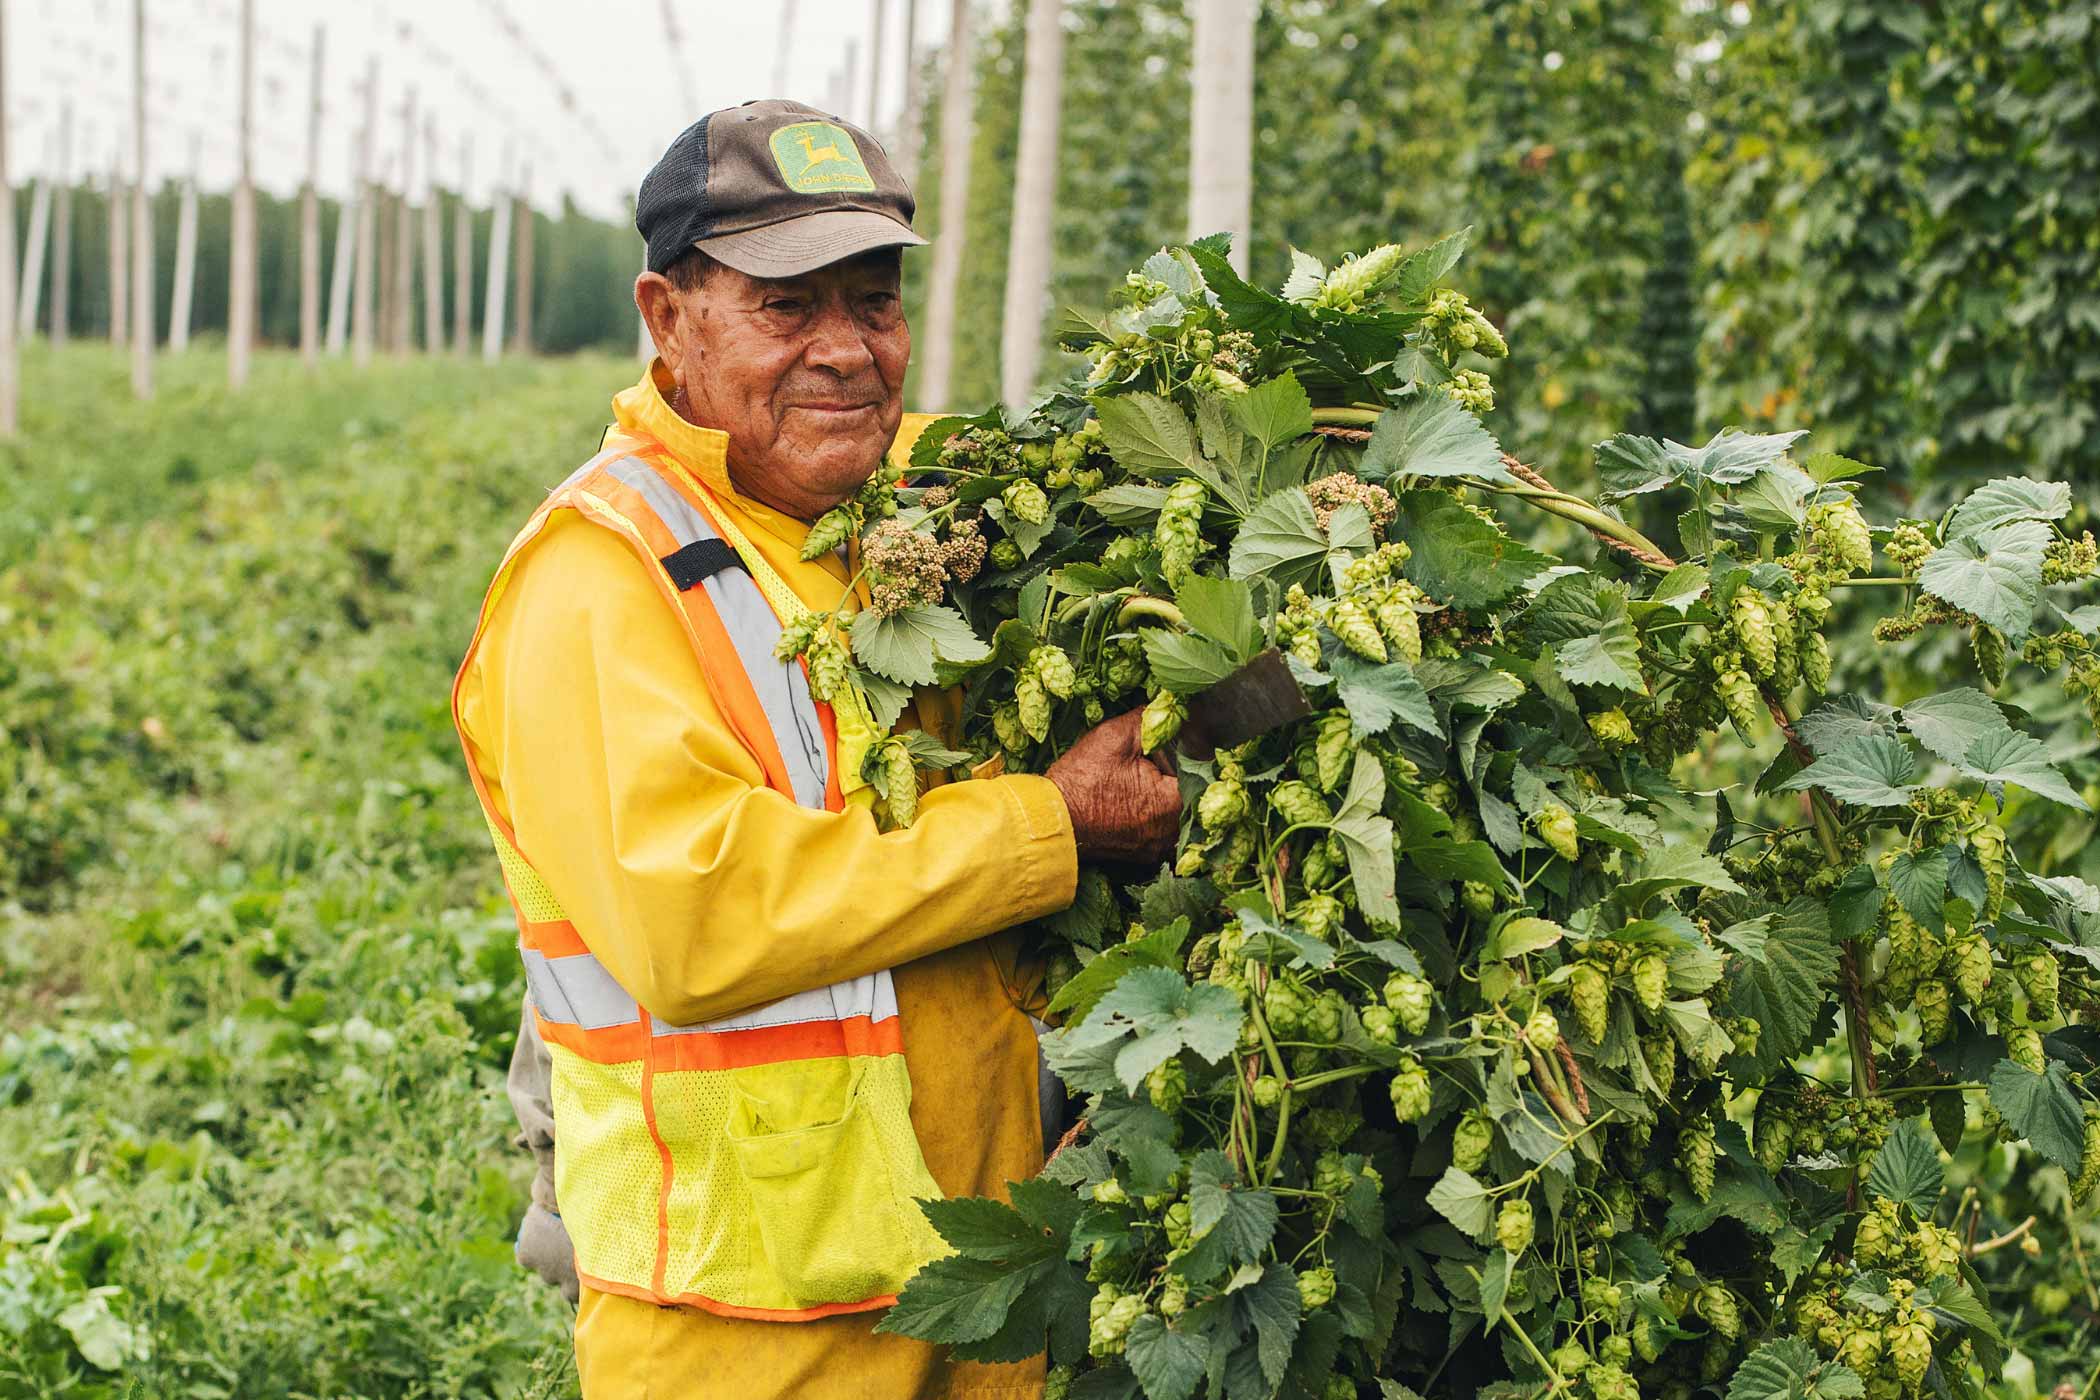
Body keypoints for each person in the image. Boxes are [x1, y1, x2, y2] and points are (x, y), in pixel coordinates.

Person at [450, 98, 1182, 1399]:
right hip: (751, 1335)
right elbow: (699, 921)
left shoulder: (907, 528)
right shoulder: (602, 581)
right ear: (667, 319)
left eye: (876, 301)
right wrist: (1053, 827)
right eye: (787, 307)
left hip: (984, 1290)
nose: (846, 350)